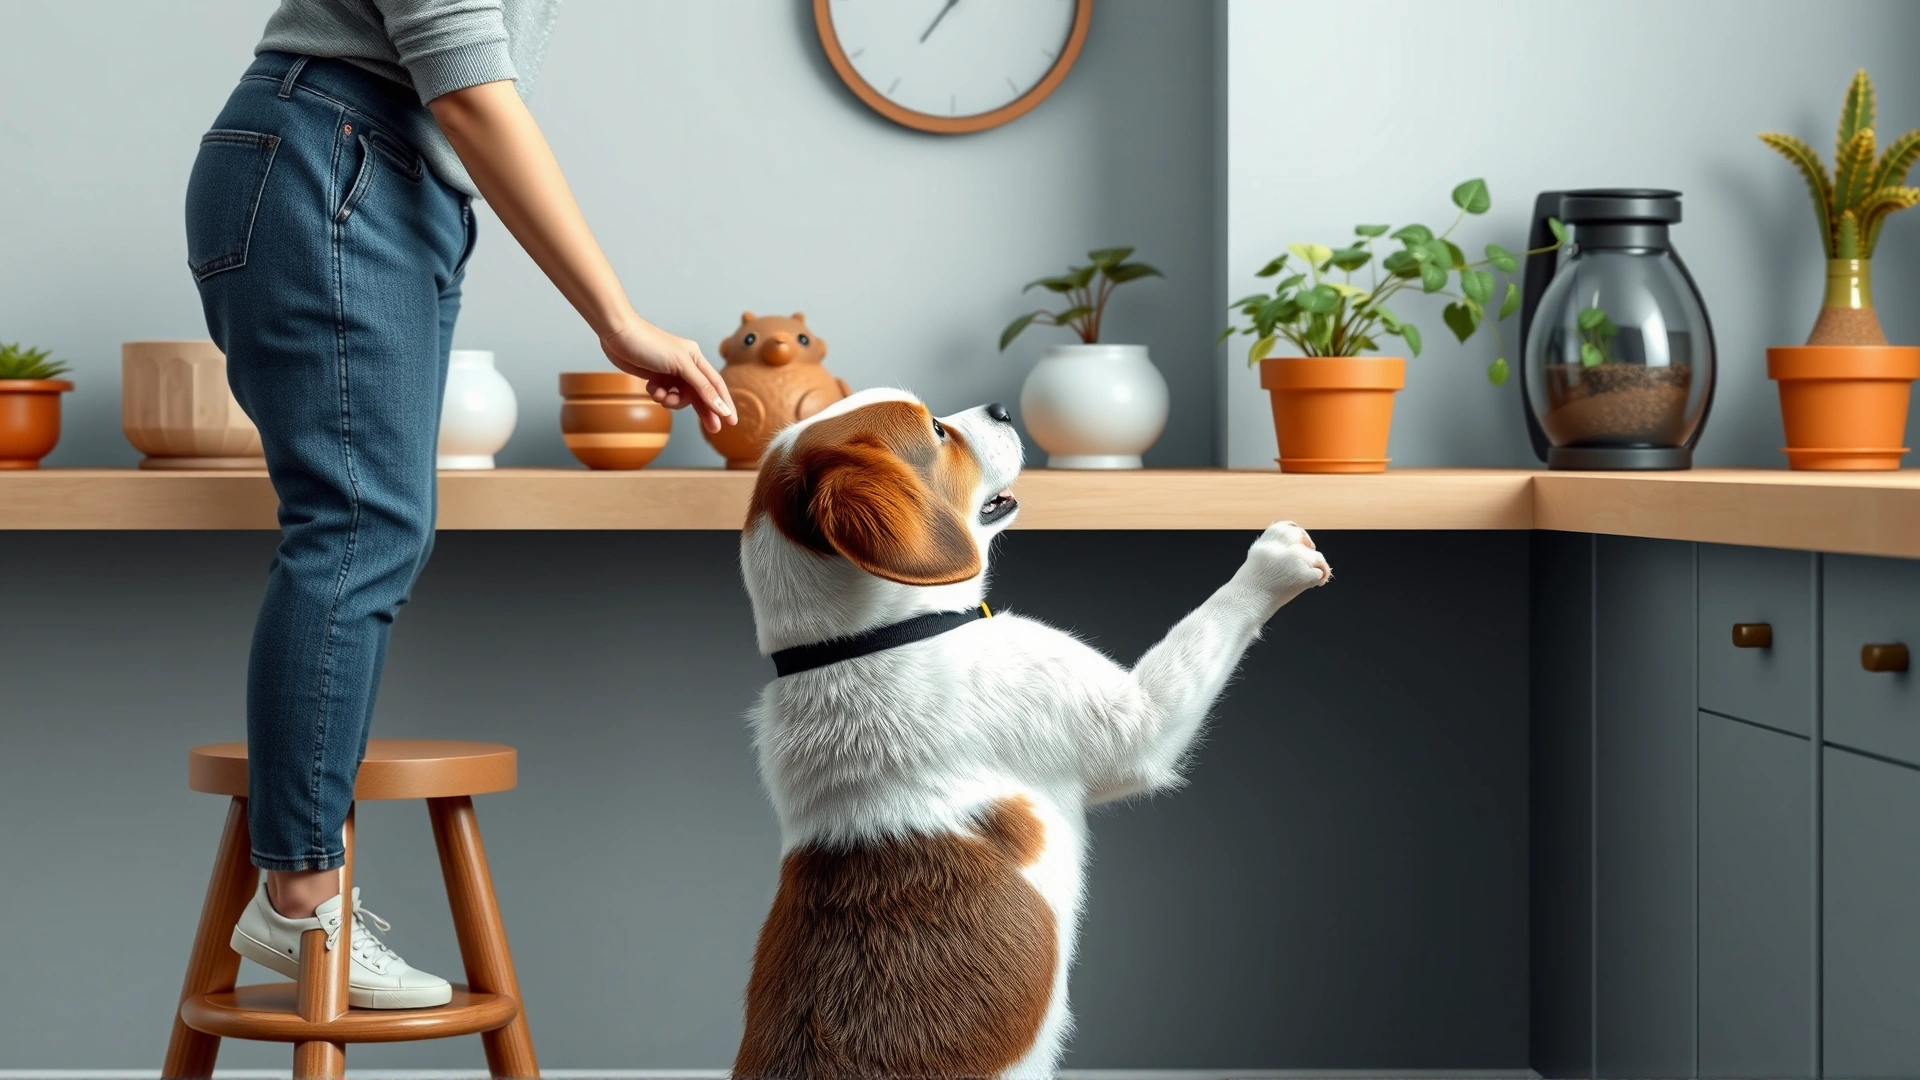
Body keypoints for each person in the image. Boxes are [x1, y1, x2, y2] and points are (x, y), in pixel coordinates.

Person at [185, 0, 735, 1008]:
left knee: (375, 528)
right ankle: (302, 900)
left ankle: (304, 891)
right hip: (337, 154)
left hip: (379, 171)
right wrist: (619, 319)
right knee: (359, 528)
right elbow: (472, 89)